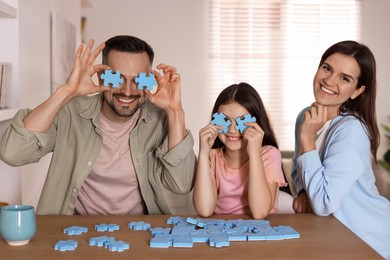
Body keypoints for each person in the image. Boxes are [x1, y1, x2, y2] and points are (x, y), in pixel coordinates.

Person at [0, 35, 196, 215]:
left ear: (149, 81)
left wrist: (175, 112)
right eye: (117, 78)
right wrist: (67, 91)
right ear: (102, 76)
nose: (127, 91)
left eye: (138, 80)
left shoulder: (160, 120)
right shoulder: (70, 112)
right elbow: (12, 153)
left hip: (139, 232)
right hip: (76, 231)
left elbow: (181, 185)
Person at [291, 40, 390, 258]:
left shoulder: (352, 131)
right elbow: (297, 169)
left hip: (367, 239)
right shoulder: (305, 117)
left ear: (357, 91)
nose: (329, 80)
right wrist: (302, 192)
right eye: (327, 68)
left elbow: (325, 202)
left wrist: (308, 138)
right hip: (330, 235)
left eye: (345, 78)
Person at [193, 83, 287, 219]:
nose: (232, 130)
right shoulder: (211, 157)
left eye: (241, 122)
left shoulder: (269, 154)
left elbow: (260, 212)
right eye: (225, 121)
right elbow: (205, 210)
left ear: (256, 123)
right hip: (223, 233)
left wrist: (254, 153)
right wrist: (203, 153)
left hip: (262, 232)